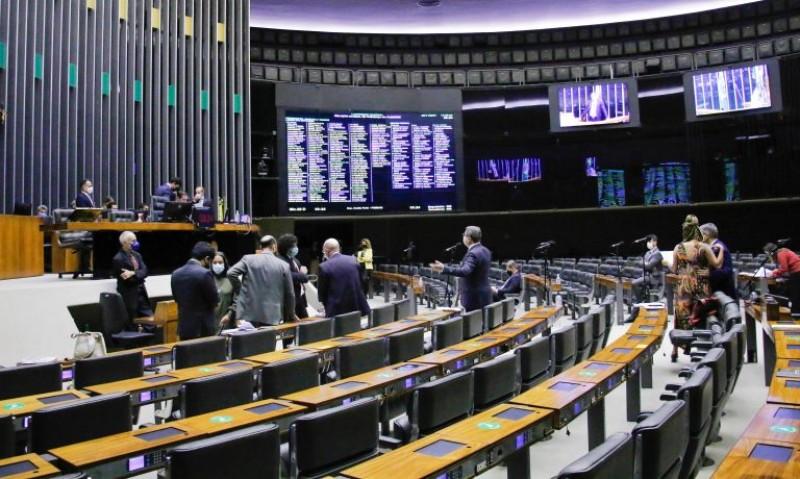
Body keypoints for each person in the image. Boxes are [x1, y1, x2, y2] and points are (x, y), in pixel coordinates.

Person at [670, 215, 723, 362]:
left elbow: (674, 269)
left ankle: (676, 350)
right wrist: (722, 251)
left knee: (682, 318)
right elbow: (717, 264)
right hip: (701, 286)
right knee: (701, 316)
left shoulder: (678, 248)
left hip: (683, 288)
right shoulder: (704, 247)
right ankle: (701, 349)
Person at [223, 235, 295, 328]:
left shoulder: (248, 259)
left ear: (260, 247)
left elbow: (230, 273)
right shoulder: (283, 265)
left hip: (250, 312)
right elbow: (290, 294)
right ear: (274, 247)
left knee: (251, 341)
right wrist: (291, 315)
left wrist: (242, 292)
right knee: (268, 341)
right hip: (273, 315)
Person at [431, 226, 492, 313]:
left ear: (469, 238)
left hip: (473, 297)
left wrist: (444, 268)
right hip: (485, 294)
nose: (463, 237)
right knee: (482, 323)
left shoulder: (473, 253)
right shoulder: (486, 250)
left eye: (464, 235)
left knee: (473, 324)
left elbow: (465, 271)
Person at [171, 242, 220, 340]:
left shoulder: (175, 274)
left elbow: (177, 299)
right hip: (203, 329)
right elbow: (214, 300)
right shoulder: (205, 274)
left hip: (184, 329)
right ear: (206, 259)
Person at [318, 238, 370, 318]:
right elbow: (361, 282)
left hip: (336, 310)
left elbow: (322, 294)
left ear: (326, 250)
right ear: (338, 249)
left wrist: (326, 308)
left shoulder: (324, 266)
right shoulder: (353, 260)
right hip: (355, 307)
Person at [111, 231, 153, 324]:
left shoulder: (137, 255)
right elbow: (128, 279)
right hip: (129, 296)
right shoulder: (118, 259)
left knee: (150, 321)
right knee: (132, 323)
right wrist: (138, 275)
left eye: (136, 240)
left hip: (142, 294)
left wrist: (133, 273)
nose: (135, 243)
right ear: (124, 242)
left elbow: (146, 271)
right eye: (132, 241)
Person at [277, 234, 310, 320]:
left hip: (300, 299)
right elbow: (288, 275)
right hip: (289, 301)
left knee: (306, 323)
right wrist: (303, 275)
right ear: (286, 248)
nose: (296, 248)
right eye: (294, 246)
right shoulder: (279, 260)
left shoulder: (296, 260)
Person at [700, 223, 736, 300]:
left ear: (707, 234)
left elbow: (727, 271)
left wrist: (710, 274)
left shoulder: (717, 247)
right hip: (719, 290)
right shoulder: (714, 246)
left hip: (723, 291)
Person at [765, 242, 800, 317]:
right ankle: (795, 312)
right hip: (796, 272)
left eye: (767, 252)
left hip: (797, 272)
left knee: (795, 294)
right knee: (794, 293)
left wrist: (774, 273)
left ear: (771, 251)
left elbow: (784, 268)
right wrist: (777, 272)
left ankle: (796, 314)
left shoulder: (780, 254)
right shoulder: (782, 252)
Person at [631, 234, 665, 305]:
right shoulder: (647, 253)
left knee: (634, 283)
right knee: (635, 281)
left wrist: (644, 263)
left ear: (655, 242)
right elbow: (642, 263)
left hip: (654, 277)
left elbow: (649, 266)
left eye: (650, 241)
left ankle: (639, 301)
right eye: (648, 241)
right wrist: (645, 263)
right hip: (646, 275)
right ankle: (641, 299)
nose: (648, 243)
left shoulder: (658, 254)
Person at [211, 252, 236, 328]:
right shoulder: (207, 279)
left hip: (227, 323)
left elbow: (237, 301)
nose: (217, 265)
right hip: (210, 324)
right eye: (214, 263)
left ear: (224, 263)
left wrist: (229, 314)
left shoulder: (232, 279)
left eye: (220, 262)